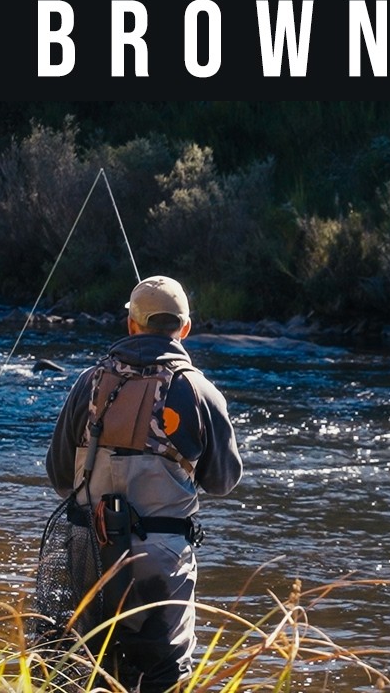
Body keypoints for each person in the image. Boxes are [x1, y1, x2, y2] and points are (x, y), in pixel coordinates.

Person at [44, 274, 243, 692]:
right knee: (163, 675)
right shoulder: (200, 391)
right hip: (163, 561)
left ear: (131, 325)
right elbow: (223, 481)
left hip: (89, 552)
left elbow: (60, 476)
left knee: (86, 669)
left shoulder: (88, 383)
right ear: (185, 329)